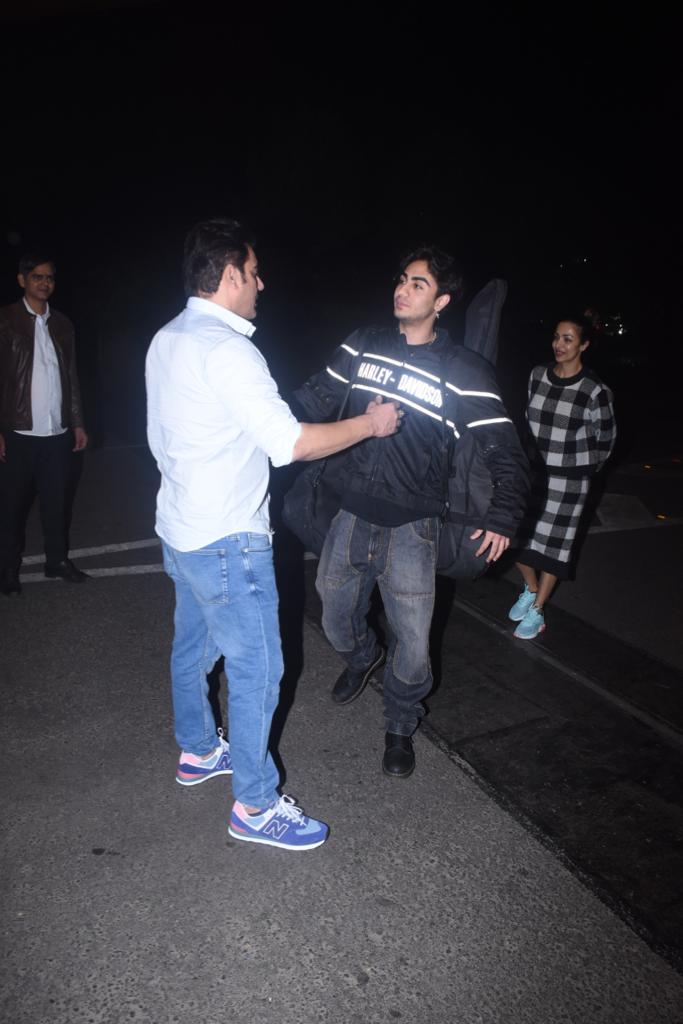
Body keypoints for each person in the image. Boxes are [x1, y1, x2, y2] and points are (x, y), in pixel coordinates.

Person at [145, 218, 401, 852]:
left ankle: (200, 749)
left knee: (192, 647)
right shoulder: (228, 349)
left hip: (180, 529)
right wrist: (369, 424)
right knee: (259, 669)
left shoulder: (168, 337)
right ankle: (256, 806)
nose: (262, 283)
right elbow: (290, 444)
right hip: (228, 539)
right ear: (230, 275)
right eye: (254, 272)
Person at [293, 246, 529, 778]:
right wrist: (260, 425)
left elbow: (503, 450)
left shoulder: (463, 370)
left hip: (413, 526)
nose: (403, 289)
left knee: (416, 642)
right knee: (333, 611)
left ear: (441, 300)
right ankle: (361, 656)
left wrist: (504, 516)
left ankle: (400, 721)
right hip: (350, 512)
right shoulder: (363, 344)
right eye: (402, 279)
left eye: (418, 284)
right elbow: (312, 400)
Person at [509, 316, 616, 639]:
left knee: (553, 549)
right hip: (534, 473)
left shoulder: (594, 390)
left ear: (583, 345)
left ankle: (538, 610)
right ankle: (529, 588)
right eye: (557, 337)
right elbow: (528, 418)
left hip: (569, 481)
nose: (559, 344)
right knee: (513, 539)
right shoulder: (537, 375)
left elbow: (606, 438)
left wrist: (581, 468)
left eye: (568, 339)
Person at [0, 254, 89, 596]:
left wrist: (78, 423)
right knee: (11, 506)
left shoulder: (63, 324)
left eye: (49, 277)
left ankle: (57, 561)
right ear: (22, 280)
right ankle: (8, 568)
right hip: (18, 432)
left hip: (57, 433)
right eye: (36, 276)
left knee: (56, 502)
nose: (44, 282)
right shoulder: (6, 320)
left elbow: (71, 377)